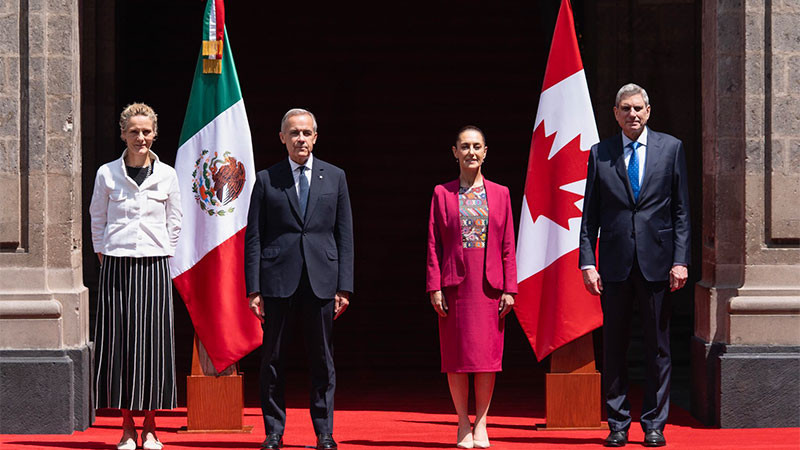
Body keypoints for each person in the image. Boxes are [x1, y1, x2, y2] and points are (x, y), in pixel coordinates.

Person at [579, 83, 691, 447]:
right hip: (614, 265)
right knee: (614, 346)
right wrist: (587, 263)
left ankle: (655, 423)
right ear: (615, 113)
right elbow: (589, 216)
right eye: (625, 109)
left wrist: (680, 260)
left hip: (658, 263)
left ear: (648, 110)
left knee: (659, 347)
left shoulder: (671, 149)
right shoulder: (601, 154)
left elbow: (681, 211)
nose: (633, 115)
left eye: (638, 108)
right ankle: (617, 423)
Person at [244, 108, 354, 450]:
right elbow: (255, 238)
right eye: (294, 133)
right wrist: (254, 289)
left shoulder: (335, 177)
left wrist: (344, 286)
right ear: (282, 138)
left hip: (322, 279)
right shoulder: (266, 179)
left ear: (315, 137)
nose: (301, 139)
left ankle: (324, 432)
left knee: (322, 359)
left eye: (306, 133)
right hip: (277, 281)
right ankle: (274, 432)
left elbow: (344, 234)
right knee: (273, 359)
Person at [89, 103, 182, 450]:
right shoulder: (107, 174)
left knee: (154, 345)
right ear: (123, 134)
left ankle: (151, 427)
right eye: (133, 131)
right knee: (121, 344)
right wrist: (104, 251)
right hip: (117, 263)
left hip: (154, 264)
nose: (140, 138)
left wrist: (164, 249)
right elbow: (97, 217)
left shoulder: (168, 175)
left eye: (146, 131)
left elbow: (176, 220)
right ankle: (127, 427)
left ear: (154, 133)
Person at [426, 126, 517, 449]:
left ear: (486, 151)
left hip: (490, 286)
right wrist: (434, 286)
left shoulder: (501, 193)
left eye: (477, 146)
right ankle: (462, 422)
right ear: (455, 152)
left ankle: (482, 423)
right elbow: (434, 243)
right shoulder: (442, 193)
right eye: (465, 147)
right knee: (456, 358)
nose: (471, 152)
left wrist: (510, 288)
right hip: (455, 286)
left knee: (486, 359)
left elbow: (508, 244)